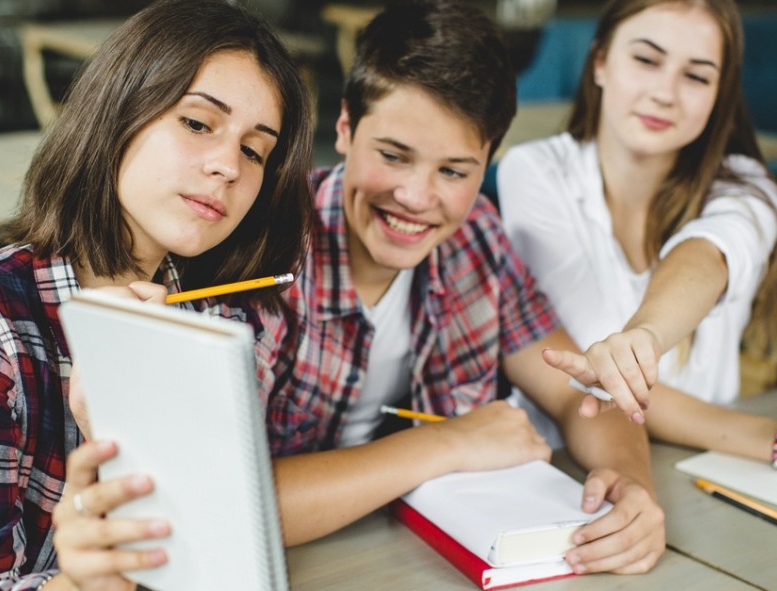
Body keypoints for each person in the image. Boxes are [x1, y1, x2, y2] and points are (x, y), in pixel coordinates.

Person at [0, 0, 313, 589]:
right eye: (197, 123)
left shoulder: (219, 317)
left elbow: (215, 543)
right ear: (117, 113)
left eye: (254, 150)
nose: (228, 167)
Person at [257, 0, 665, 576]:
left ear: (487, 163)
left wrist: (632, 490)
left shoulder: (476, 239)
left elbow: (580, 397)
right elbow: (232, 499)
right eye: (394, 156)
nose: (418, 198)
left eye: (453, 171)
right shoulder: (262, 248)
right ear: (345, 127)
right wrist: (449, 443)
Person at [497, 0, 777, 472]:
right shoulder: (534, 171)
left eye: (696, 76)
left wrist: (644, 336)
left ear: (720, 93)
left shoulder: (748, 188)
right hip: (561, 466)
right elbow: (598, 379)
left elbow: (706, 256)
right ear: (600, 62)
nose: (665, 93)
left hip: (708, 463)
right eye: (646, 60)